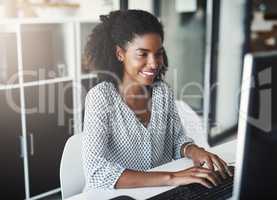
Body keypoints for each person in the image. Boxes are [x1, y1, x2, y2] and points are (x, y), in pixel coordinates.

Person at [82, 9, 232, 190]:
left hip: (157, 192)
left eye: (158, 53)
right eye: (142, 54)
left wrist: (194, 151)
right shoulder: (101, 97)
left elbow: (176, 141)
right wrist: (171, 177)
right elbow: (97, 172)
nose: (154, 63)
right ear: (120, 53)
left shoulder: (162, 92)